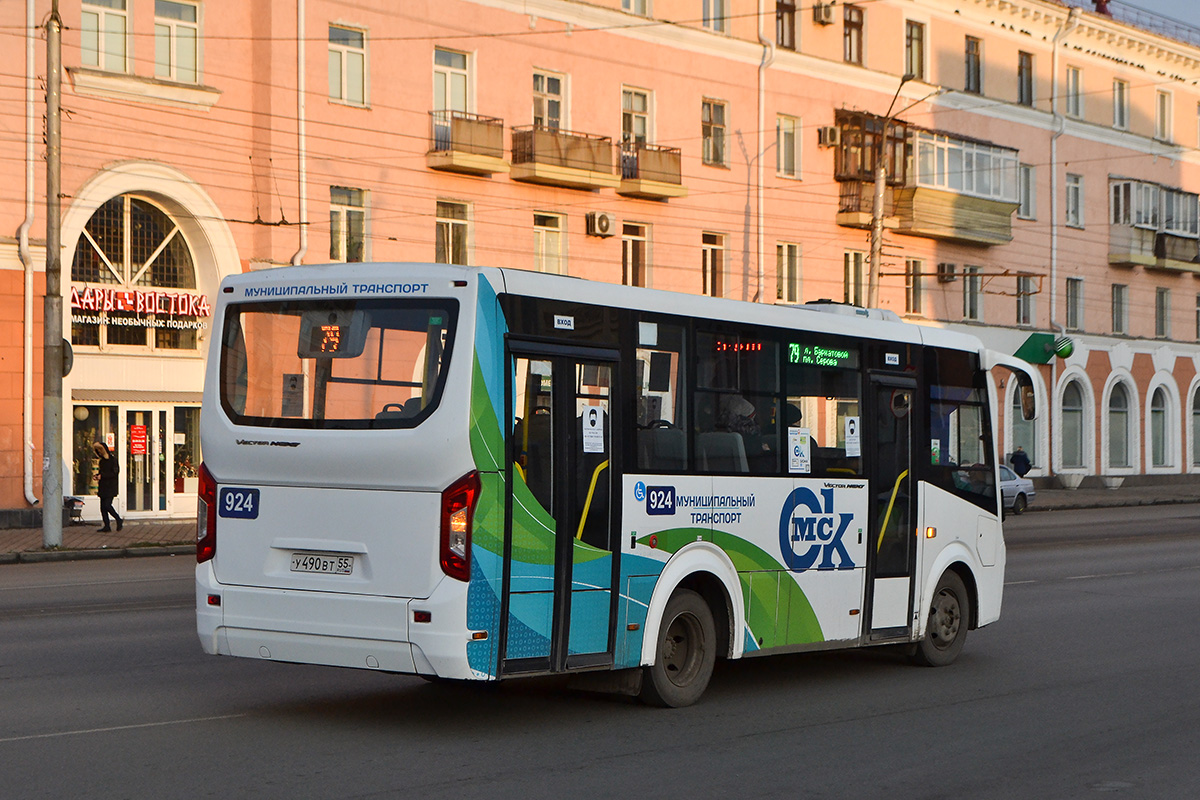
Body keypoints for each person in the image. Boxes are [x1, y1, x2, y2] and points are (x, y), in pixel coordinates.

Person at [94, 442, 123, 532]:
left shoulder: (113, 460)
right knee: (103, 507)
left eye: (100, 450)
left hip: (111, 486)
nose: (99, 452)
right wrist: (97, 475)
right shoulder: (102, 461)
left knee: (107, 505)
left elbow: (115, 472)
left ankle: (118, 519)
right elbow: (102, 471)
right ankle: (107, 526)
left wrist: (102, 476)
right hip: (103, 486)